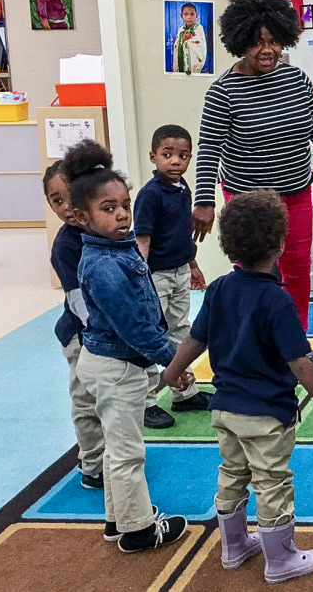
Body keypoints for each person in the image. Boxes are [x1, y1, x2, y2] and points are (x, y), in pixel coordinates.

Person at [161, 190, 313, 583]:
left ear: (229, 244)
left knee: (231, 473)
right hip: (267, 413)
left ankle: (234, 548)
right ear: (281, 243)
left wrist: (171, 374)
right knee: (272, 482)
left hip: (225, 408)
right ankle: (280, 559)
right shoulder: (278, 301)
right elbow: (300, 363)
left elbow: (194, 340)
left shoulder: (217, 289)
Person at [194, 0, 313, 369]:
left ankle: (296, 341)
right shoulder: (223, 92)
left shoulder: (297, 80)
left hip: (295, 193)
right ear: (240, 41)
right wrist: (204, 202)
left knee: (296, 269)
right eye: (258, 42)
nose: (267, 50)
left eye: (274, 41)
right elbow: (209, 150)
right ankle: (253, 342)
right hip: (247, 202)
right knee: (252, 273)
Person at [63, 140, 189, 553]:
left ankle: (118, 520)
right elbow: (134, 326)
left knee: (120, 449)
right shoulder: (102, 265)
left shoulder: (117, 248)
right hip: (116, 368)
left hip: (114, 363)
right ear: (81, 217)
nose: (121, 215)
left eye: (124, 205)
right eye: (108, 208)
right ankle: (137, 529)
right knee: (127, 453)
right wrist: (173, 361)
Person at [133, 125, 211, 429]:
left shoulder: (183, 189)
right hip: (155, 276)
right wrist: (141, 277)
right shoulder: (150, 195)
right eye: (167, 155)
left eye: (183, 155)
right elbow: (143, 240)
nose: (175, 161)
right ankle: (146, 402)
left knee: (181, 330)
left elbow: (181, 234)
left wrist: (193, 265)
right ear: (154, 157)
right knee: (153, 335)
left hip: (180, 271)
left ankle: (184, 392)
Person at [44, 162, 104, 491]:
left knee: (110, 398)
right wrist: (100, 330)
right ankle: (93, 464)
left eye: (70, 197)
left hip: (109, 336)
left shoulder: (103, 228)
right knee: (85, 399)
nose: (66, 207)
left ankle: (112, 454)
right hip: (81, 336)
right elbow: (78, 301)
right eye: (57, 200)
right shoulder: (66, 247)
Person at [174, 3, 208, 75]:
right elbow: (176, 46)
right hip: (182, 63)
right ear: (181, 16)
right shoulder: (180, 30)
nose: (189, 17)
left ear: (196, 16)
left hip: (194, 63)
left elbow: (201, 46)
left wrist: (190, 39)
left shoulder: (199, 28)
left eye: (192, 14)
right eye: (186, 14)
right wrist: (182, 39)